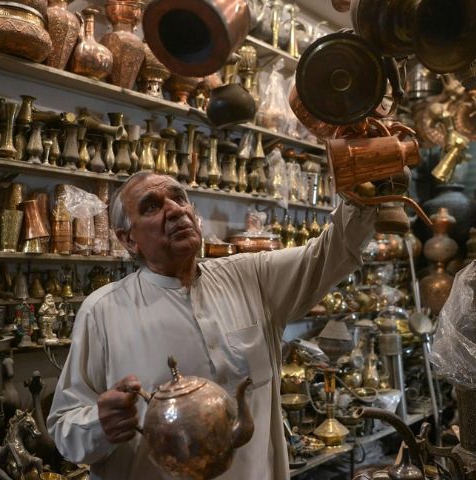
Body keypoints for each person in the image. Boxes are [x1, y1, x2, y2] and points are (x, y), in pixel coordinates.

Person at [47, 171, 375, 479]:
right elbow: (65, 427)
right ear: (128, 240)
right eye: (152, 206)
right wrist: (99, 425)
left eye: (179, 198)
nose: (175, 210)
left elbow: (331, 253)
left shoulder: (251, 278)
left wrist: (363, 196)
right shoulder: (103, 312)